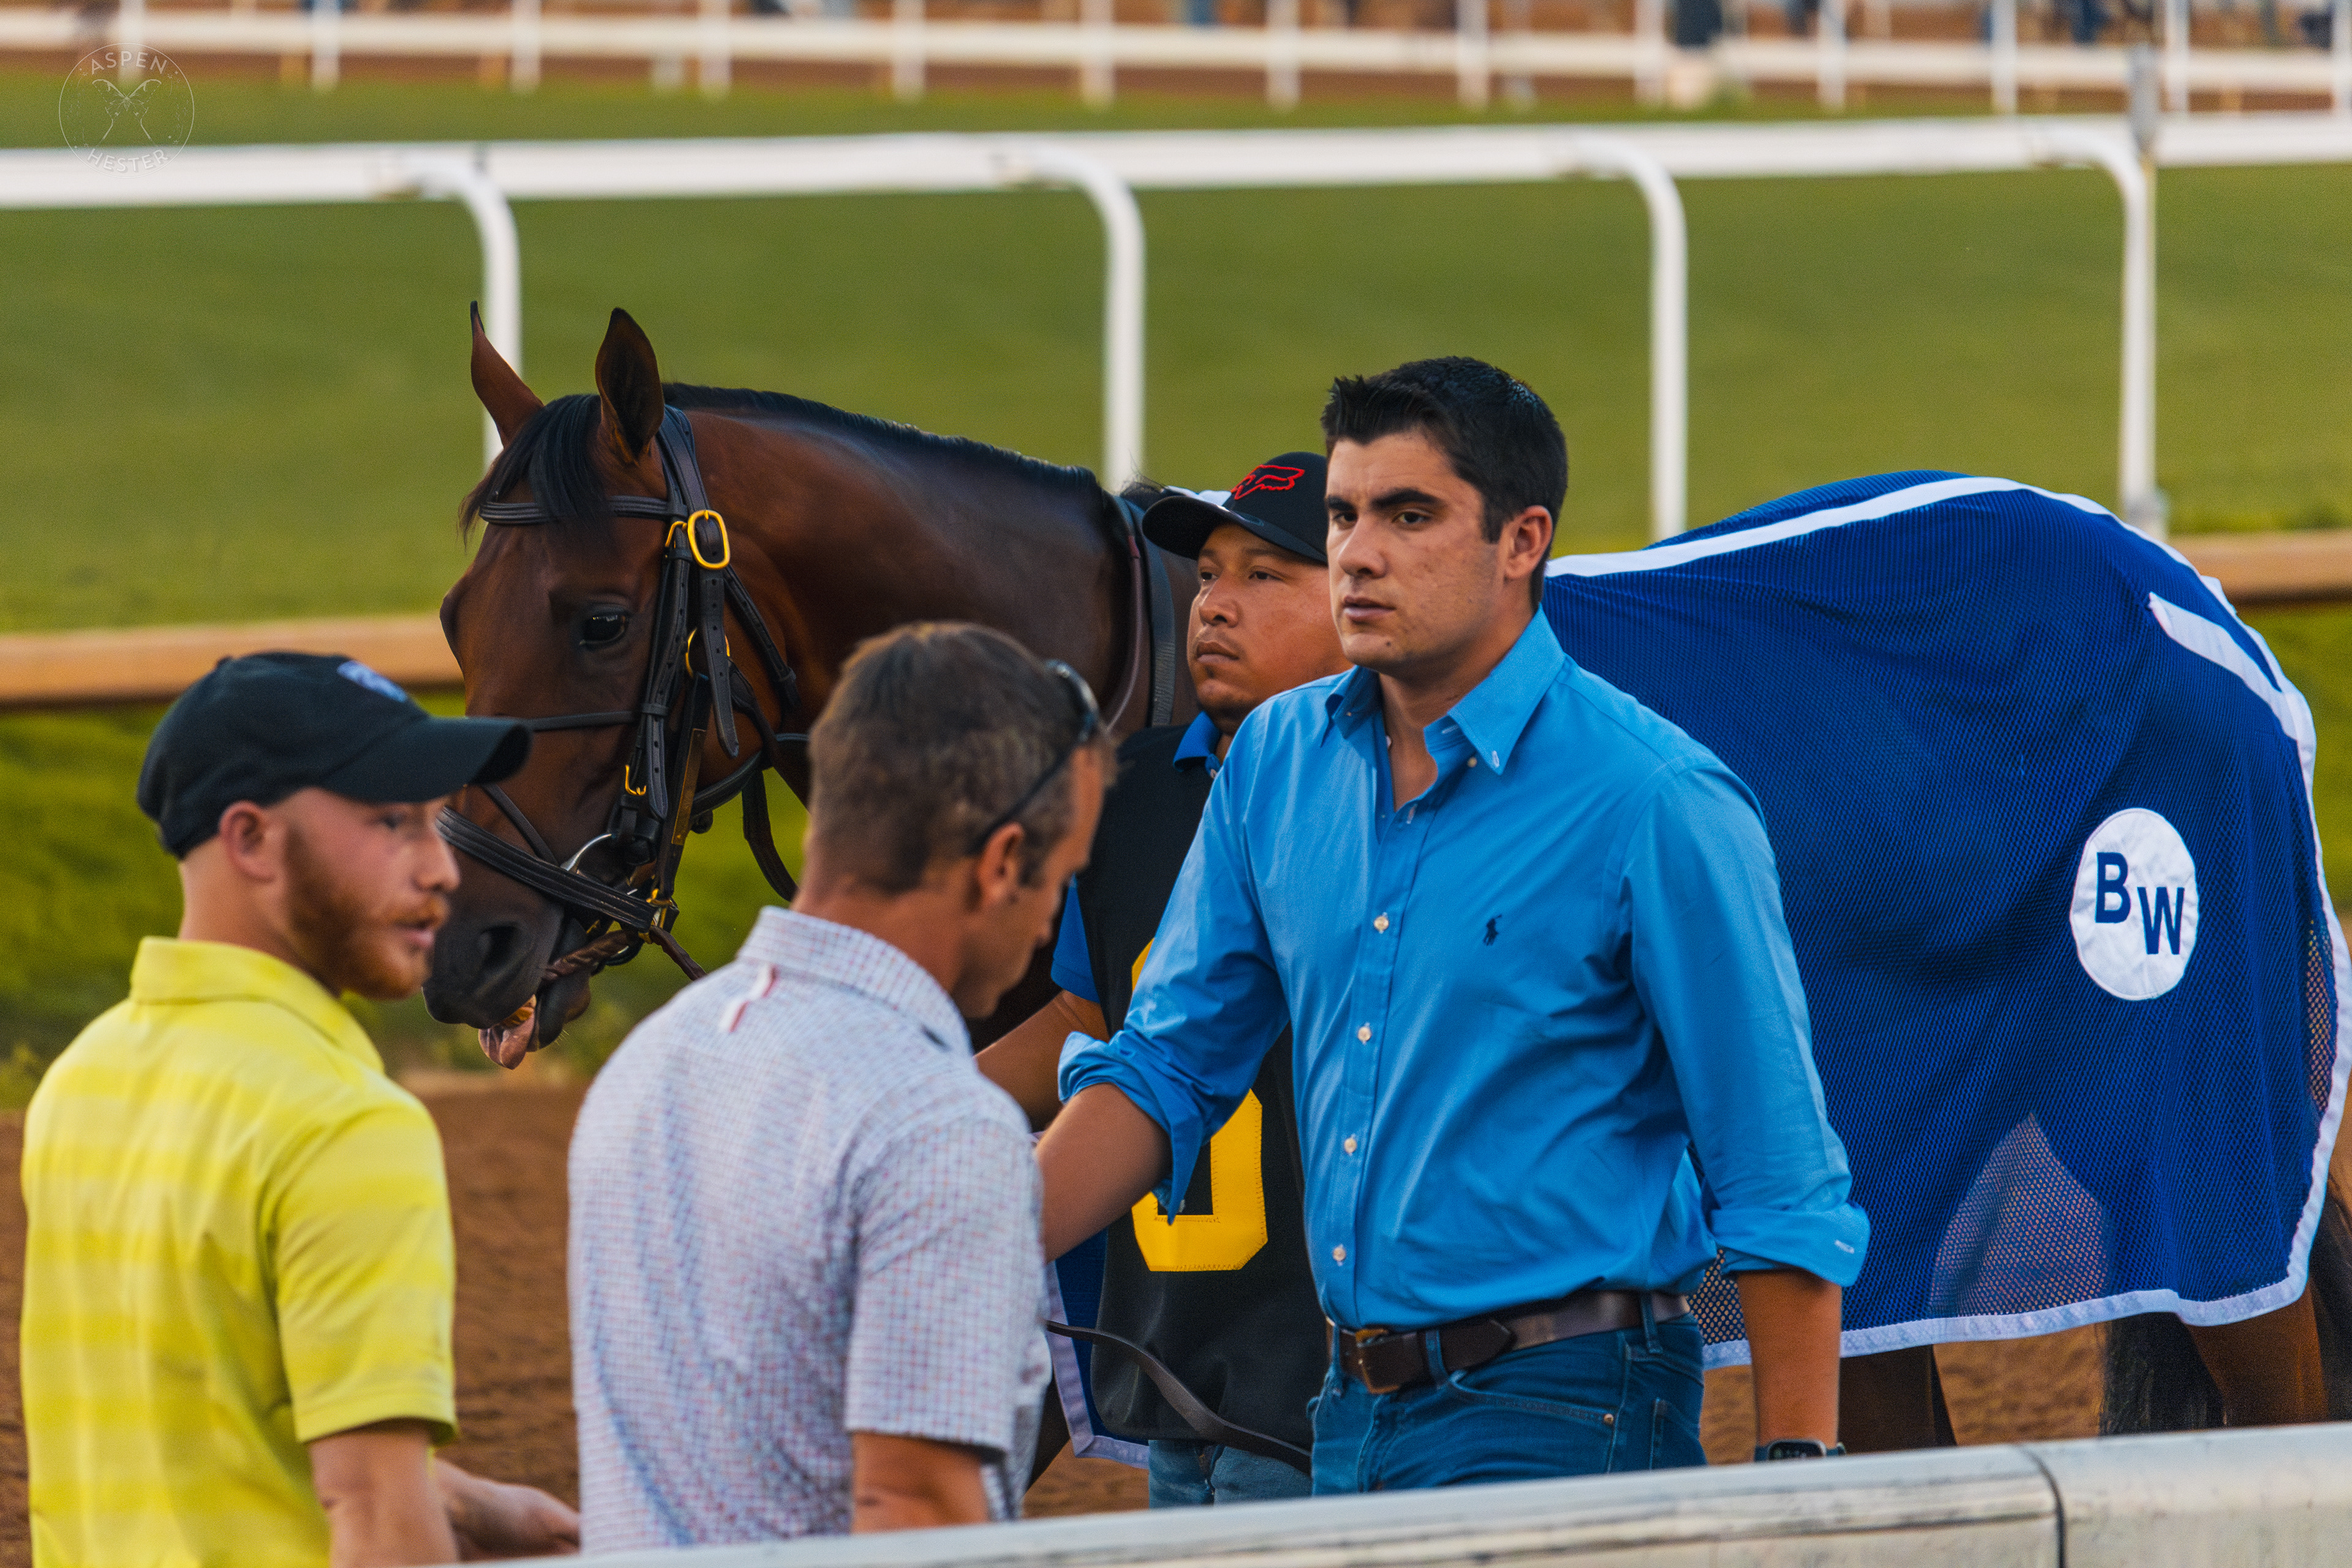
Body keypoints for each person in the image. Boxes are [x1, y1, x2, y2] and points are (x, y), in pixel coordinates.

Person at [1038, 357, 1869, 1493]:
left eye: (1409, 516)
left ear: (1522, 541)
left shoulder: (1656, 799)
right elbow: (1166, 1066)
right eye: (1344, 516)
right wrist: (976, 1238)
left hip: (1563, 1408)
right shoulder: (1273, 762)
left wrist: (1799, 1478)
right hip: (1345, 1410)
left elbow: (1778, 1173)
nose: (1357, 552)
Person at [22, 651, 580, 1568]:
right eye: (392, 822)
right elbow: (377, 1522)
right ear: (251, 841)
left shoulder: (82, 1081)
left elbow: (204, 1429)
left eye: (436, 822)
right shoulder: (347, 1125)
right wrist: (408, 1503)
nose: (442, 869)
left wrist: (466, 1503)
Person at [568, 623, 1112, 1551]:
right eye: (1059, 883)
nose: (1045, 925)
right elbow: (918, 1513)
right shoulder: (940, 1126)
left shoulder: (651, 1060)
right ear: (1000, 864)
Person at [978, 453, 1348, 1508]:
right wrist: (919, 1099)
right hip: (1175, 1371)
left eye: (1266, 576)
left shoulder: (1393, 799)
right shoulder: (1128, 789)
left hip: (1332, 1383)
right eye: (1210, 574)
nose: (1216, 605)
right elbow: (1089, 1015)